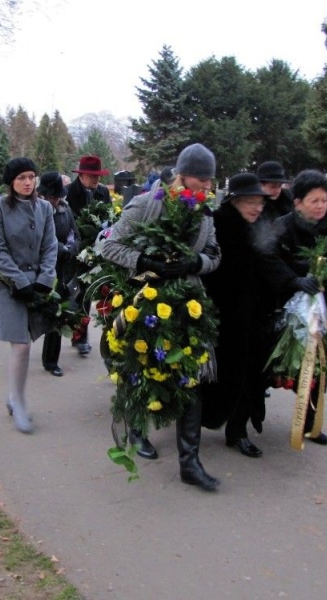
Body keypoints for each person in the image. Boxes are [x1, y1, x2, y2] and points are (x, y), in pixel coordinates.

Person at [101, 143, 222, 491]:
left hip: (188, 304)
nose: (204, 190)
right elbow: (109, 245)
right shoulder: (144, 205)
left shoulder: (204, 214)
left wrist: (195, 264)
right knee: (140, 370)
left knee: (191, 374)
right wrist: (146, 262)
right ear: (180, 176)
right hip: (147, 300)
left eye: (208, 183)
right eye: (199, 182)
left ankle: (190, 462)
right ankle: (136, 430)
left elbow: (215, 254)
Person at [263, 169, 327, 445]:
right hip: (287, 309)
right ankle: (250, 417)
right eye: (314, 201)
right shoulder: (282, 226)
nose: (320, 206)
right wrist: (295, 279)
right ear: (298, 202)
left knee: (319, 365)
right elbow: (270, 260)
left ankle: (309, 421)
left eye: (324, 200)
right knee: (274, 362)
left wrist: (317, 270)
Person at [0, 158, 58, 434]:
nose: (28, 182)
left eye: (31, 177)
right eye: (21, 178)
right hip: (7, 285)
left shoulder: (45, 207)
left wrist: (45, 280)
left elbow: (51, 245)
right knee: (21, 344)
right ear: (11, 182)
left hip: (36, 284)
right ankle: (18, 399)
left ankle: (15, 395)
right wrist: (21, 283)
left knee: (25, 343)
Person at [200, 173, 271, 458]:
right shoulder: (219, 225)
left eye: (260, 202)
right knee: (225, 376)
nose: (257, 208)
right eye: (251, 202)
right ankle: (195, 423)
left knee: (250, 376)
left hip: (254, 317)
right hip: (222, 317)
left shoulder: (258, 226)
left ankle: (238, 431)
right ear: (236, 201)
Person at [65, 155, 112, 356]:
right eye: (92, 176)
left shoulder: (102, 192)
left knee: (103, 293)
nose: (96, 180)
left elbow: (109, 216)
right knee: (80, 294)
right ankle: (80, 337)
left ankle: (111, 337)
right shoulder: (69, 193)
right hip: (76, 252)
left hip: (100, 250)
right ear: (82, 175)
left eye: (98, 176)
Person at [37, 171, 80, 377]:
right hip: (40, 270)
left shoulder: (65, 209)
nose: (57, 200)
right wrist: (58, 248)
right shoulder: (35, 210)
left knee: (57, 315)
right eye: (53, 197)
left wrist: (71, 249)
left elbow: (75, 233)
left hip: (62, 270)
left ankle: (51, 361)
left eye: (58, 196)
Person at [256, 160, 294, 225]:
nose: (277, 190)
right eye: (273, 187)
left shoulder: (288, 198)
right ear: (260, 185)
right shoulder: (252, 202)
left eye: (279, 186)